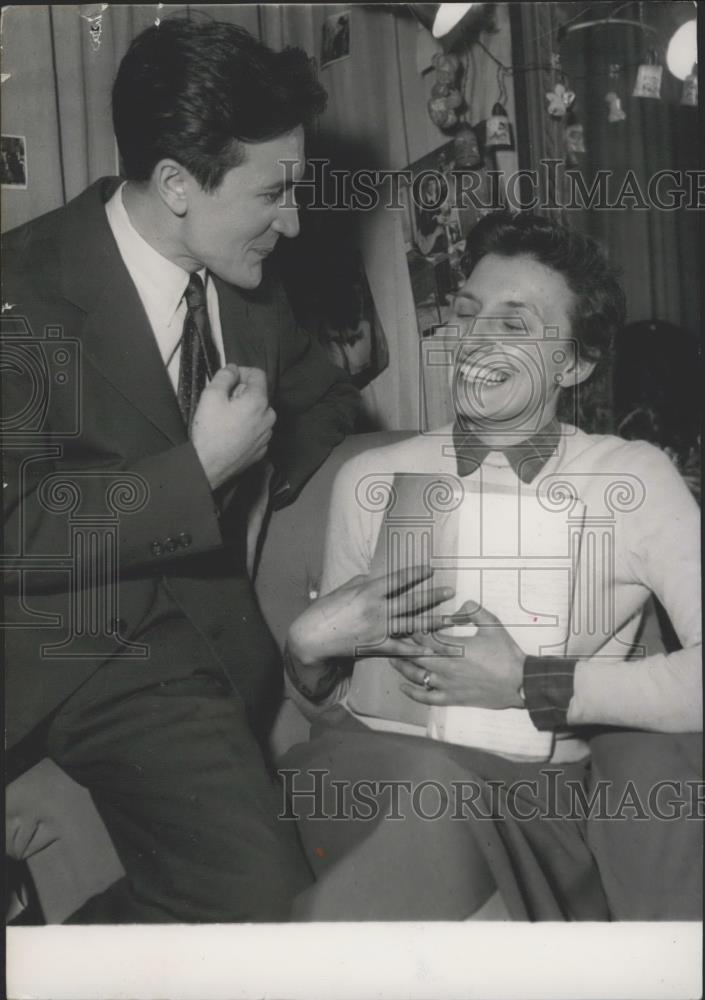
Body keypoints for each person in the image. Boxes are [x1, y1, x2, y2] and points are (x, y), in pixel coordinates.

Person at [2, 17, 359, 923]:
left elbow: (323, 402)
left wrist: (255, 505)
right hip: (84, 649)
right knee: (264, 907)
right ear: (175, 185)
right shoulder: (22, 289)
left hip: (219, 644)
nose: (296, 220)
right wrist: (197, 472)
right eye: (275, 193)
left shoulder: (254, 290)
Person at [280, 210, 702, 921]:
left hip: (526, 802)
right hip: (366, 772)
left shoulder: (630, 477)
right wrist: (306, 652)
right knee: (415, 801)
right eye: (467, 313)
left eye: (513, 323)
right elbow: (327, 701)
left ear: (574, 362)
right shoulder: (370, 476)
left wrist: (530, 683)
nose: (475, 340)